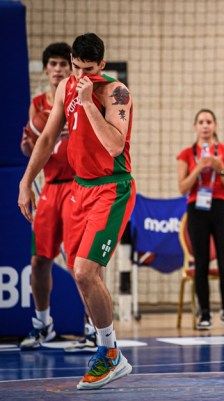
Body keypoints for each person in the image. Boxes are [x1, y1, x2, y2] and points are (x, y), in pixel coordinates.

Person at [18, 33, 135, 390]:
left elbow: (115, 145)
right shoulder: (64, 87)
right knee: (79, 268)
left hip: (112, 188)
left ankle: (109, 352)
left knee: (84, 271)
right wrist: (26, 181)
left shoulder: (116, 92)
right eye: (76, 67)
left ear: (102, 65)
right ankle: (105, 347)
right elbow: (47, 137)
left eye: (89, 69)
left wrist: (87, 104)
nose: (81, 75)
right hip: (79, 190)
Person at [18, 42, 75, 349]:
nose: (58, 69)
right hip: (51, 187)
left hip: (79, 185)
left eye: (63, 64)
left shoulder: (79, 100)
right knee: (39, 259)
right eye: (53, 64)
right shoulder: (37, 104)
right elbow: (34, 149)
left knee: (82, 262)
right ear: (45, 69)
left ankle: (93, 328)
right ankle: (43, 325)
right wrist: (29, 148)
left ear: (71, 68)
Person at [176, 109, 224, 330]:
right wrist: (199, 169)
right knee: (201, 261)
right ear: (195, 126)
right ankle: (204, 313)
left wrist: (220, 169)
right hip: (197, 208)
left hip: (221, 206)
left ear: (215, 125)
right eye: (201, 122)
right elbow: (182, 188)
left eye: (209, 121)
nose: (205, 125)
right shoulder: (186, 154)